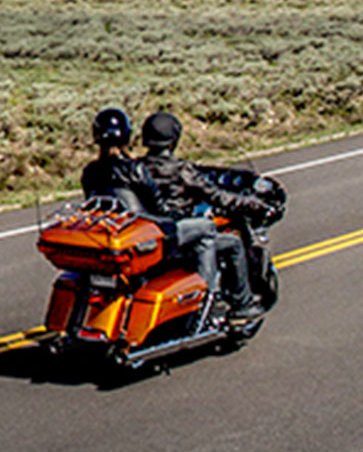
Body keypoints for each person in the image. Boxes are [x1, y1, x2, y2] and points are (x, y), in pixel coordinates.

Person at [141, 111, 267, 320]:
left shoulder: (138, 168)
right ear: (173, 139)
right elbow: (217, 196)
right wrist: (252, 204)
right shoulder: (182, 170)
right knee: (233, 244)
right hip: (180, 232)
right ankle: (241, 304)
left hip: (152, 234)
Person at [82, 107, 159, 211]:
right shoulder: (136, 169)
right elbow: (156, 205)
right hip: (138, 224)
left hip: (106, 222)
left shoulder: (90, 172)